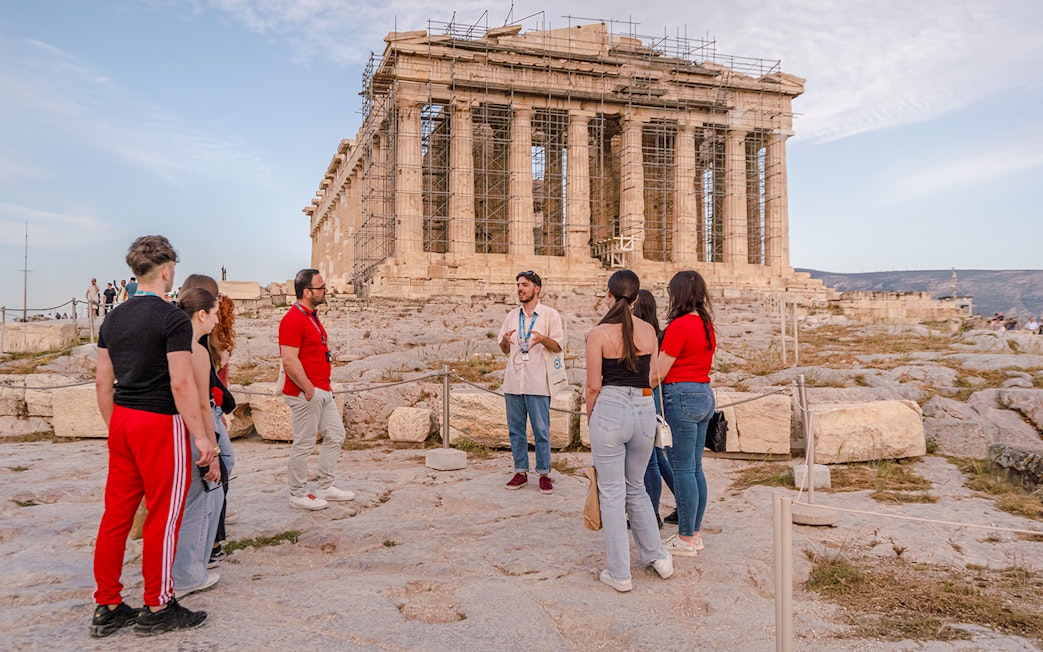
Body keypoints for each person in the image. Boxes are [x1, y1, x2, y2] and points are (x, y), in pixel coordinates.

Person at [91, 235, 215, 638]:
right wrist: (201, 437)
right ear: (166, 270)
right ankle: (158, 604)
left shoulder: (113, 318)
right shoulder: (173, 318)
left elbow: (102, 383)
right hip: (159, 423)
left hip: (123, 421)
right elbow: (181, 384)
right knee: (163, 514)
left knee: (116, 516)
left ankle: (107, 604)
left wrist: (116, 428)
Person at [586, 270, 673, 591]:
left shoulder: (599, 334)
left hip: (610, 408)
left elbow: (594, 385)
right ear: (636, 299)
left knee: (611, 494)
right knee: (635, 487)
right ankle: (658, 557)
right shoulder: (649, 330)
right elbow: (652, 375)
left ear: (608, 295)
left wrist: (591, 418)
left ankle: (620, 574)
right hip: (643, 408)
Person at [653, 270, 716, 558]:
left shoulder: (679, 326)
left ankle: (685, 537)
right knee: (695, 468)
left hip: (682, 396)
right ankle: (696, 533)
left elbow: (659, 372)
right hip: (704, 393)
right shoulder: (706, 324)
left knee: (681, 470)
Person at [280, 268, 353, 510]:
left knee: (336, 434)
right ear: (307, 292)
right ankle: (298, 493)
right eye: (321, 287)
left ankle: (325, 485)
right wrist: (308, 389)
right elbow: (289, 360)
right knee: (304, 442)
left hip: (323, 389)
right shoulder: (293, 318)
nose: (326, 290)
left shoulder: (312, 315)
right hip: (306, 392)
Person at [170, 285, 223, 597]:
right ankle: (189, 575)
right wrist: (212, 448)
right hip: (195, 433)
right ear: (201, 314)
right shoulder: (197, 351)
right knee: (201, 502)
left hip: (172, 429)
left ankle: (176, 571)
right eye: (214, 314)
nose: (216, 321)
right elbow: (203, 404)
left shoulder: (171, 345)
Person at [497, 270, 564, 493]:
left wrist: (542, 339)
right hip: (514, 381)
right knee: (516, 430)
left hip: (538, 381)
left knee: (541, 430)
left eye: (524, 285)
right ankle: (520, 471)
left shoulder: (550, 315)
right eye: (518, 285)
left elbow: (558, 347)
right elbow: (504, 348)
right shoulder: (511, 316)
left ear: (537, 288)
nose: (520, 289)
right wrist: (506, 341)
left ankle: (544, 473)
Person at [631, 289, 676, 528]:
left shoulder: (642, 336)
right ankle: (681, 502)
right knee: (658, 456)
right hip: (656, 398)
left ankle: (652, 514)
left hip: (644, 396)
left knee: (650, 460)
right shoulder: (659, 334)